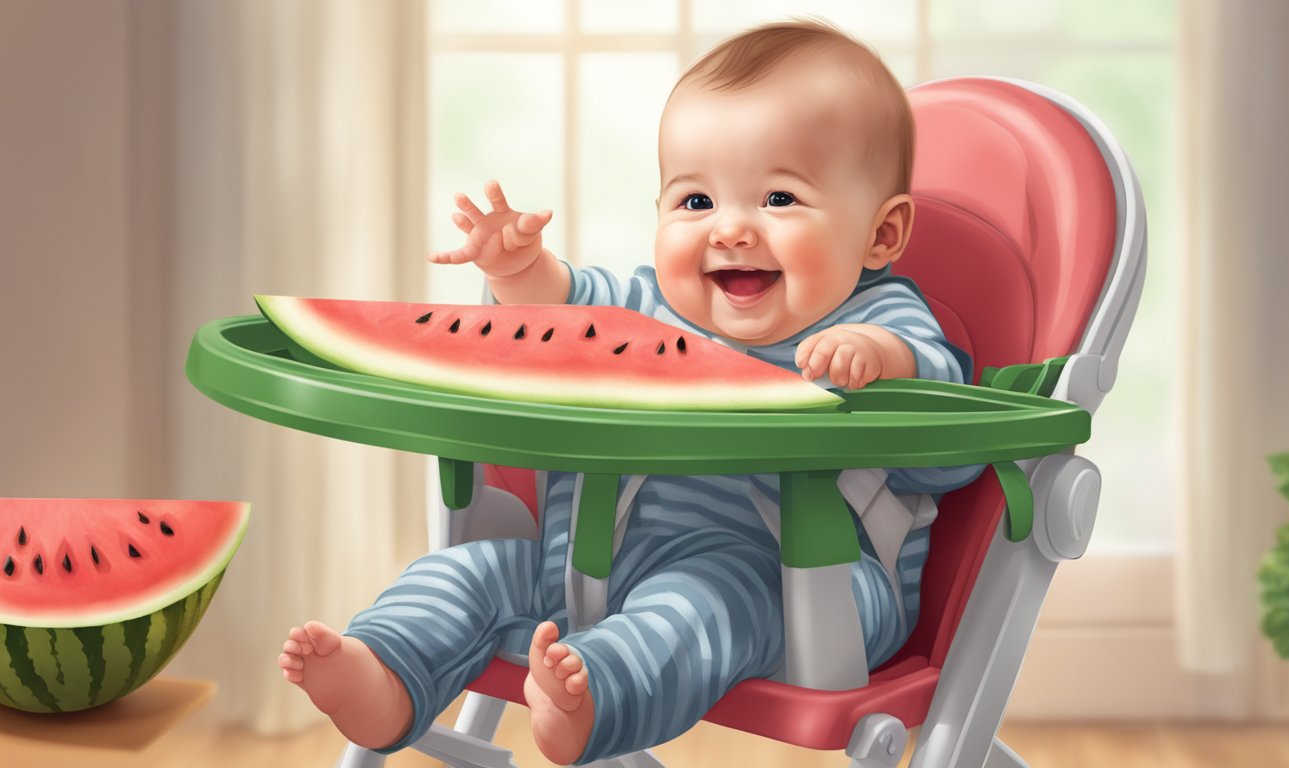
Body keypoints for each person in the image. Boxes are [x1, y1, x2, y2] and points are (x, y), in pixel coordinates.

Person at [278, 20, 980, 765]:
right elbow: (566, 313)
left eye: (778, 198)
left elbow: (951, 450)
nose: (730, 231)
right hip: (580, 566)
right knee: (462, 572)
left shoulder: (881, 319)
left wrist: (887, 360)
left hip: (794, 586)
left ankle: (593, 700)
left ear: (881, 235)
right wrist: (519, 273)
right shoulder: (649, 307)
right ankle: (384, 673)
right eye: (695, 202)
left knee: (695, 606)